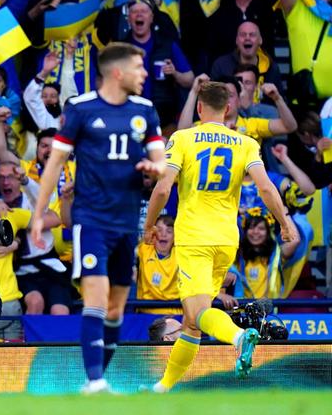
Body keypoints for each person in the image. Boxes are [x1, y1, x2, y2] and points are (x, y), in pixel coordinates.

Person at [143, 81, 298, 391]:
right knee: (191, 322)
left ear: (200, 108)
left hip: (194, 239)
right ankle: (163, 388)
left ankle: (239, 337)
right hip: (227, 241)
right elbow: (266, 188)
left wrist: (149, 226)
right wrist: (284, 222)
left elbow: (162, 188)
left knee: (199, 312)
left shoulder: (183, 138)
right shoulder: (245, 143)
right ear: (228, 109)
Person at [31, 42, 165, 394]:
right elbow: (55, 164)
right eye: (139, 68)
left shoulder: (146, 110)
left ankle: (95, 378)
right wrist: (38, 214)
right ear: (118, 73)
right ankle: (95, 381)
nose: (145, 74)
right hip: (90, 220)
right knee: (95, 295)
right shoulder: (80, 108)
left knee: (115, 306)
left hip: (126, 222)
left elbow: (161, 159)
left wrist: (156, 167)